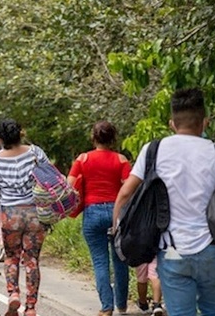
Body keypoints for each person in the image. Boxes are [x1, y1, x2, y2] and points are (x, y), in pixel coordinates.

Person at [113, 88, 215, 316]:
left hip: (171, 252)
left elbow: (125, 195)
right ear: (204, 123)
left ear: (172, 124)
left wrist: (118, 236)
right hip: (210, 250)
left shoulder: (153, 150)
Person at [66, 121, 132, 316]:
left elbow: (69, 186)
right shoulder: (121, 160)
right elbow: (130, 189)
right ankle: (122, 305)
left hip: (92, 212)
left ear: (93, 138)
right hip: (116, 213)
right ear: (113, 138)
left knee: (100, 261)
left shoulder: (83, 159)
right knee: (120, 259)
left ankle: (106, 307)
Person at [0, 118, 48, 316]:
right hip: (35, 212)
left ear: (0, 138)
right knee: (31, 260)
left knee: (12, 257)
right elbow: (49, 176)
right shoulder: (35, 152)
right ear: (21, 133)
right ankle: (30, 307)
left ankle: (13, 294)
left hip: (10, 213)